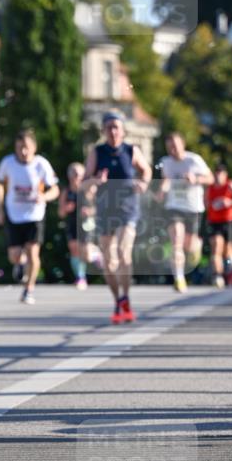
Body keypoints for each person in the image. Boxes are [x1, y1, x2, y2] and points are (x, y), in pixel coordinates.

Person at [83, 110, 152, 323]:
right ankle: (118, 300)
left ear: (123, 130)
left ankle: (126, 297)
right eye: (109, 127)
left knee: (124, 251)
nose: (113, 131)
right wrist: (96, 181)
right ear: (103, 131)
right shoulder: (97, 152)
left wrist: (143, 183)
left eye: (116, 127)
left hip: (128, 208)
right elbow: (83, 183)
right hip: (105, 210)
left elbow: (146, 171)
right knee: (109, 262)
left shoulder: (131, 151)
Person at [0, 128, 59, 304]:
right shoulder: (8, 163)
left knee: (33, 253)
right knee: (14, 255)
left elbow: (55, 189)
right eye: (19, 147)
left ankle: (29, 289)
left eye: (27, 147)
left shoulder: (41, 164)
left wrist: (44, 196)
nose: (23, 151)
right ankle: (19, 264)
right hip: (14, 214)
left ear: (34, 147)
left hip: (35, 215)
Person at [156, 133, 213, 292]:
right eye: (169, 146)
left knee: (190, 246)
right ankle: (179, 278)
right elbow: (166, 179)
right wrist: (162, 190)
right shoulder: (165, 162)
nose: (172, 149)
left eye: (175, 145)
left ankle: (197, 246)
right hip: (174, 207)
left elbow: (210, 178)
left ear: (183, 144)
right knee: (176, 242)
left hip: (193, 207)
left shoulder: (194, 160)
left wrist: (196, 179)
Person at [205, 163, 232, 288]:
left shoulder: (230, 185)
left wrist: (229, 202)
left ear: (225, 175)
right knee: (216, 246)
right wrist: (211, 205)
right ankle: (217, 276)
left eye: (221, 174)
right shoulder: (210, 187)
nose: (218, 177)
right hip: (214, 222)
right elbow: (205, 203)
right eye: (217, 174)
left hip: (228, 221)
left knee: (228, 251)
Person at [58, 162, 91, 290]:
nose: (76, 175)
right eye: (73, 172)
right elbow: (60, 213)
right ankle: (80, 277)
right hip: (71, 223)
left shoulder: (87, 189)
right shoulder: (66, 191)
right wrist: (66, 209)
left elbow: (97, 208)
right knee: (74, 249)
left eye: (78, 173)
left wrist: (89, 211)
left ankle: (96, 256)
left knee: (86, 253)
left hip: (86, 224)